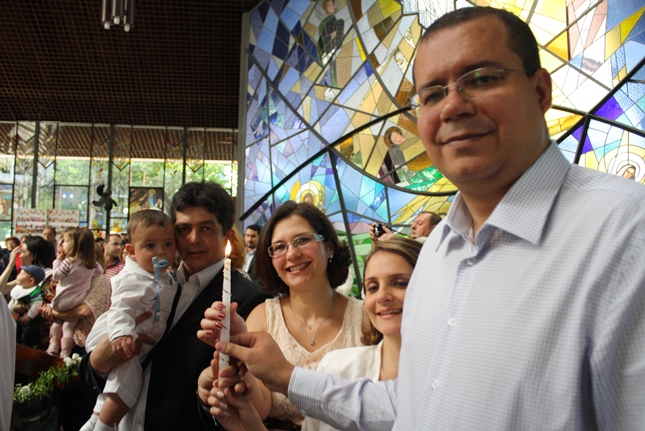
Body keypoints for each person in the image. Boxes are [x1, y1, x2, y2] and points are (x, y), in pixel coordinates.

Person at [215, 7, 645, 430]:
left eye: (482, 78)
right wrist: (286, 377)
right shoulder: (440, 249)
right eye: (432, 95)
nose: (453, 106)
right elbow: (414, 402)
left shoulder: (626, 233)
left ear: (540, 91)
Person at [81, 182, 266, 431]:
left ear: (227, 236)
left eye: (206, 228)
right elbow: (91, 373)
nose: (193, 239)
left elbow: (246, 397)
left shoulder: (245, 299)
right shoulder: (149, 283)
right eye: (184, 229)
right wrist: (100, 362)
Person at [209, 237, 422, 431]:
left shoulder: (440, 381)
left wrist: (284, 375)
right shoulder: (337, 367)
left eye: (400, 283)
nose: (383, 296)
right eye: (373, 287)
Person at [198, 200, 364, 429]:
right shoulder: (263, 317)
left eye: (302, 240)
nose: (292, 254)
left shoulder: (366, 319)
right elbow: (260, 406)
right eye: (279, 247)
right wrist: (232, 375)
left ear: (329, 246)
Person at [81, 210, 178, 431]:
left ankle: (94, 420)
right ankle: (104, 426)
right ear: (132, 251)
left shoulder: (163, 277)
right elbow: (121, 308)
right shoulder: (133, 278)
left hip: (131, 339)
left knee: (119, 379)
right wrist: (122, 334)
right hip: (116, 334)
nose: (161, 251)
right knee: (128, 380)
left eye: (168, 244)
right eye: (150, 246)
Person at [47, 228, 104, 357]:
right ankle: (65, 353)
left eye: (66, 241)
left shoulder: (69, 262)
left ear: (75, 244)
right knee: (68, 327)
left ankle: (53, 345)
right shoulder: (92, 264)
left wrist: (57, 260)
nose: (63, 244)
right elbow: (100, 272)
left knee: (57, 322)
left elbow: (56, 276)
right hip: (77, 301)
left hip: (62, 300)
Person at [7, 265, 46, 347]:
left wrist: (29, 316)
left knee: (26, 336)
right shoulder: (19, 288)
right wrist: (8, 311)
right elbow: (13, 300)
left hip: (29, 322)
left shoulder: (35, 293)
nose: (18, 275)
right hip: (16, 318)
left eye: (21, 274)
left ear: (31, 280)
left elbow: (36, 305)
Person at [369, 211, 441, 244]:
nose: (412, 226)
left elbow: (420, 243)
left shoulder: (433, 245)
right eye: (414, 223)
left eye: (419, 223)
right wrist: (377, 241)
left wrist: (393, 240)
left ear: (434, 229)